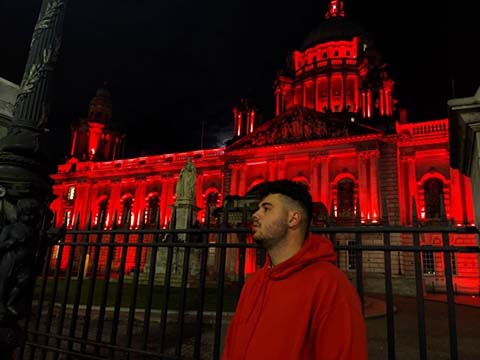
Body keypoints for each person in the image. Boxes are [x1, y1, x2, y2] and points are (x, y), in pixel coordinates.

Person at [222, 179, 368, 360]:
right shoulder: (253, 283)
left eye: (266, 208)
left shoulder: (331, 286)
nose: (255, 215)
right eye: (258, 208)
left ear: (293, 218)